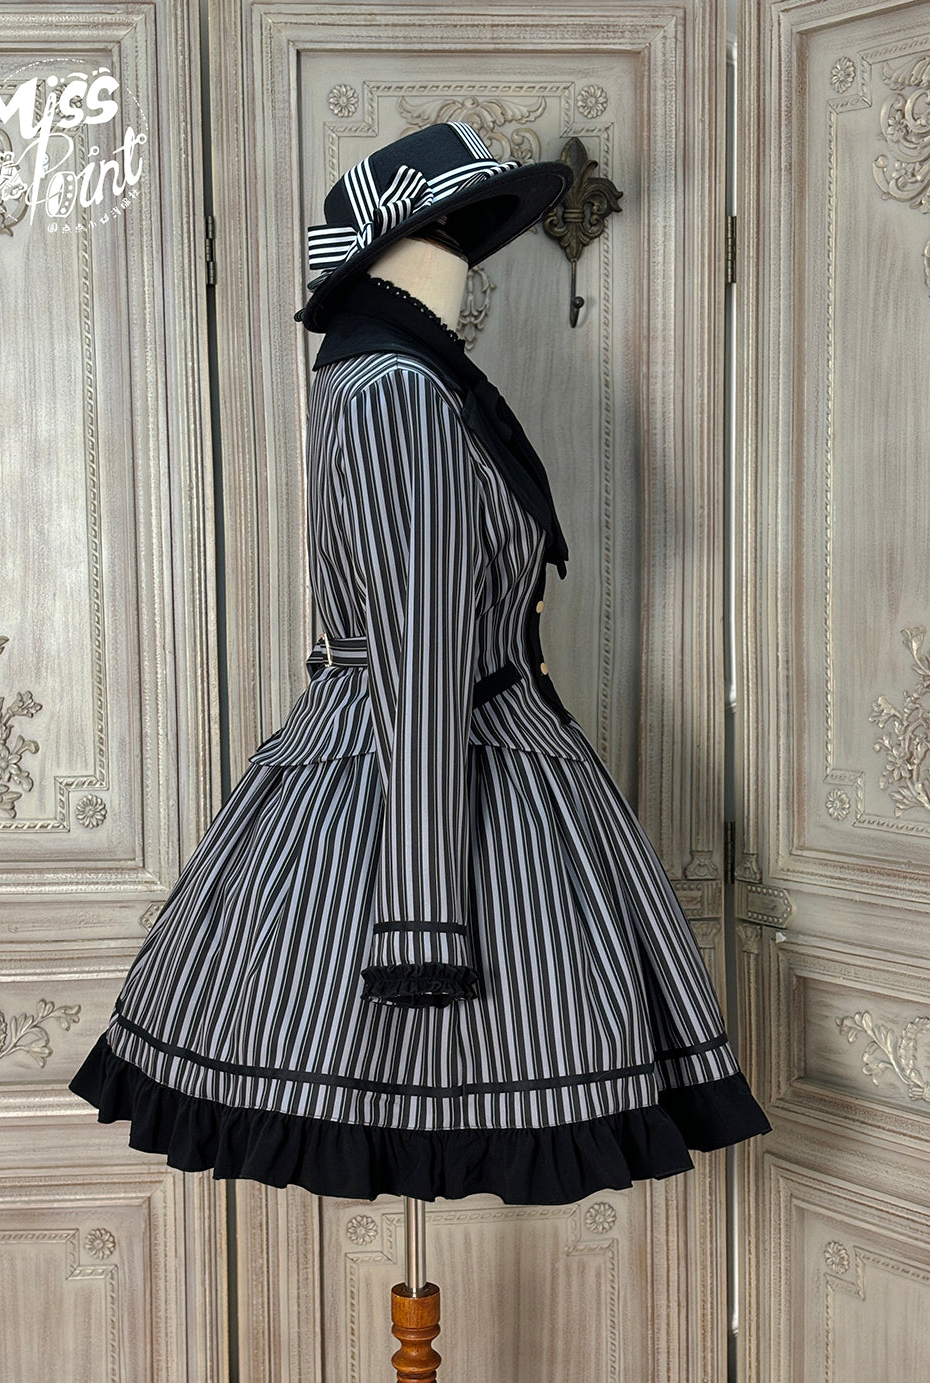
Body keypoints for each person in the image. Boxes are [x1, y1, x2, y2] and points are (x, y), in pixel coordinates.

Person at [69, 121, 771, 1204]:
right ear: (413, 242)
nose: (472, 265)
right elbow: (424, 640)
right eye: (457, 235)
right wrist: (421, 921)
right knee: (433, 1074)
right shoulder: (400, 392)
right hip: (426, 774)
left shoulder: (392, 379)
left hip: (427, 748)